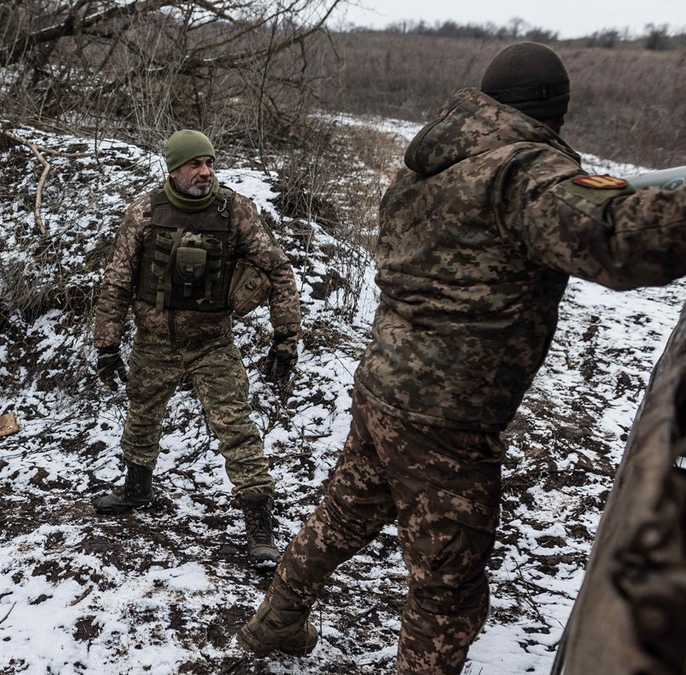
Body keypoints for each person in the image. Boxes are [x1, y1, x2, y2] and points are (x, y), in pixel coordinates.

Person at [237, 42, 686, 674]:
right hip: (446, 417)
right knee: (449, 590)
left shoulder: (431, 165)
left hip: (385, 388)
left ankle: (275, 622)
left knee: (343, 513)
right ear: (553, 113)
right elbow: (619, 239)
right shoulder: (519, 173)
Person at [92, 129, 302, 565]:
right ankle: (136, 490)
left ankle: (259, 523)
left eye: (210, 163)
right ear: (174, 169)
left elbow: (278, 271)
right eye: (195, 164)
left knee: (235, 426)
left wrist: (285, 338)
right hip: (154, 340)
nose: (206, 172)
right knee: (142, 415)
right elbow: (117, 281)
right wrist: (107, 345)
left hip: (212, 341)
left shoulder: (236, 211)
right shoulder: (146, 212)